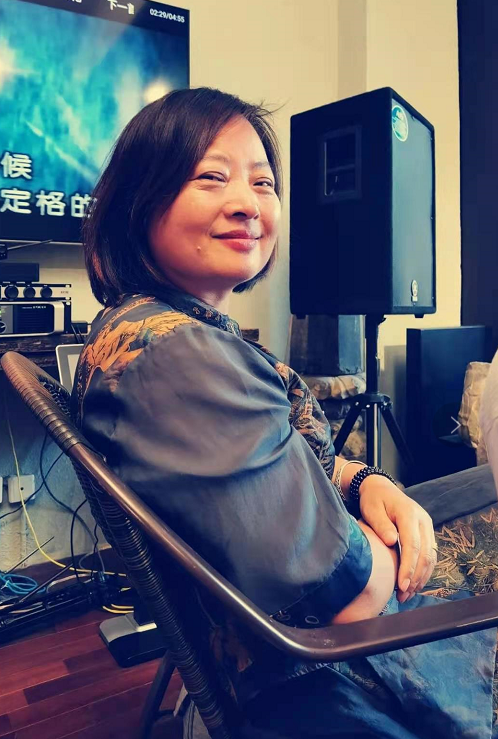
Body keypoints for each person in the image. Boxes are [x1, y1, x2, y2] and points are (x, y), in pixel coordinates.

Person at [72, 87, 497, 738]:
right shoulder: (180, 357)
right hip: (328, 673)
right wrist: (388, 537)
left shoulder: (172, 330)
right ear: (139, 198)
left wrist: (364, 480)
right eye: (211, 177)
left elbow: (288, 455)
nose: (248, 203)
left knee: (482, 483)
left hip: (309, 638)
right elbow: (346, 594)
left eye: (263, 182)